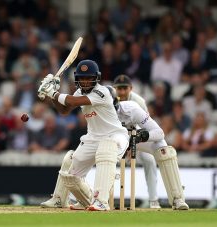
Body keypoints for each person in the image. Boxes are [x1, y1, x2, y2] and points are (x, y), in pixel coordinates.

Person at [38, 60, 129, 211]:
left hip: (115, 136)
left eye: (88, 78)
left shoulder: (102, 92)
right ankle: (65, 199)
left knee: (105, 151)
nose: (85, 81)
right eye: (82, 78)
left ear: (96, 78)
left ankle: (101, 202)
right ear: (77, 79)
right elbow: (64, 110)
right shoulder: (79, 92)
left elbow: (74, 101)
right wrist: (52, 95)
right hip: (93, 138)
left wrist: (53, 92)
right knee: (71, 174)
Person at [113, 74, 161, 208]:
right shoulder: (111, 99)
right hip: (117, 137)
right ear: (114, 88)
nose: (122, 92)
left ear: (131, 88)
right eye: (119, 88)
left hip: (136, 136)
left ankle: (153, 199)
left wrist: (132, 145)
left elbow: (144, 125)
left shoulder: (138, 101)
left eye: (124, 88)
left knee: (149, 160)